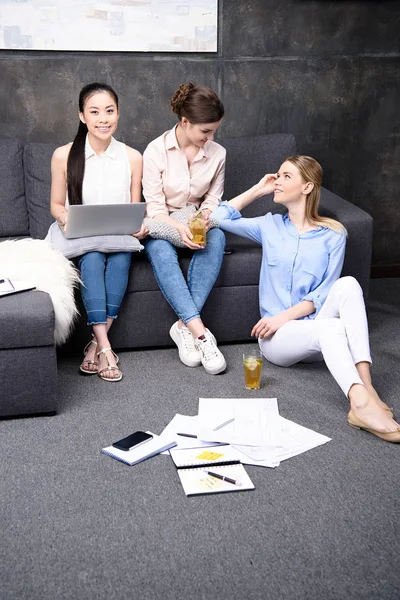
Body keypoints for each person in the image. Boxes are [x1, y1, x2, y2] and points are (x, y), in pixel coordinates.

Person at [213, 155, 400, 443]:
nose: (277, 180)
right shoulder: (269, 225)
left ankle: (366, 386)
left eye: (286, 176)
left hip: (314, 329)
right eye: (278, 175)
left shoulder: (333, 234)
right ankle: (361, 405)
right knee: (332, 328)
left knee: (348, 285)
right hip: (278, 339)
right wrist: (258, 190)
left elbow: (325, 293)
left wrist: (284, 315)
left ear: (307, 187)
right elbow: (218, 217)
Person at [50, 82, 147, 382]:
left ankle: (96, 345)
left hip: (118, 235)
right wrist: (66, 217)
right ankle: (105, 346)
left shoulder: (133, 157)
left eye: (109, 111)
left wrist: (140, 224)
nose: (103, 119)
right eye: (95, 112)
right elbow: (55, 204)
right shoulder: (63, 155)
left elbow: (135, 206)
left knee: (119, 259)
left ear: (118, 114)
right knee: (91, 259)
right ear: (82, 116)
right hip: (81, 236)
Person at [142, 82, 227, 375]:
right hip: (164, 223)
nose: (210, 137)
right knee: (160, 249)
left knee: (217, 236)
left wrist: (203, 218)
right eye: (205, 131)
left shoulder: (218, 153)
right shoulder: (155, 151)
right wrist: (178, 229)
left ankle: (182, 327)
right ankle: (201, 334)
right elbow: (154, 209)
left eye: (214, 130)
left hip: (196, 221)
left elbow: (213, 199)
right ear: (185, 122)